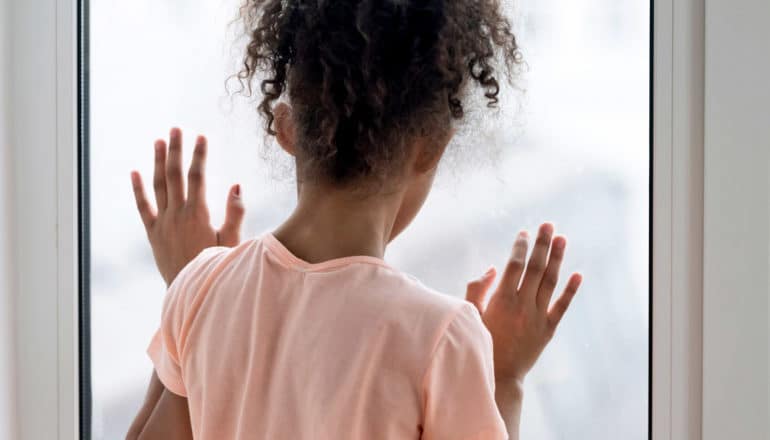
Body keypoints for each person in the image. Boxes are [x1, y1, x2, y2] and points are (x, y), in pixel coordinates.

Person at [126, 1, 582, 439]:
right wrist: (502, 379)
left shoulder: (202, 288)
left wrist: (187, 296)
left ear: (285, 127)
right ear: (432, 145)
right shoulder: (442, 338)